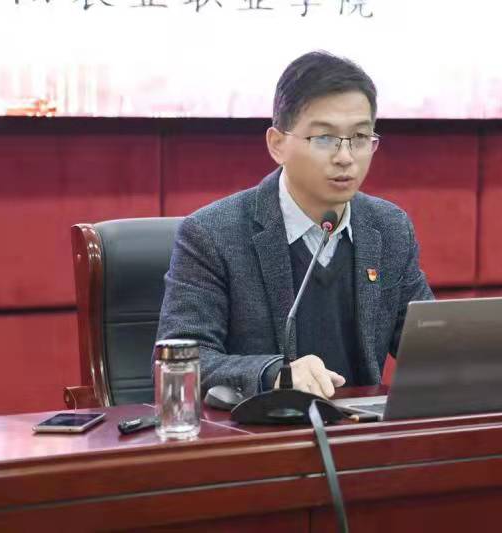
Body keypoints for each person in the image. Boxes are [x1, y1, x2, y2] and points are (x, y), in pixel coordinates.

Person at [156, 51, 434, 399]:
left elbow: (431, 345)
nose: (345, 157)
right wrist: (275, 373)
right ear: (277, 145)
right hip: (263, 427)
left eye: (360, 138)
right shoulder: (212, 234)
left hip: (361, 427)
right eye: (324, 138)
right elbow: (183, 359)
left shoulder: (389, 228)